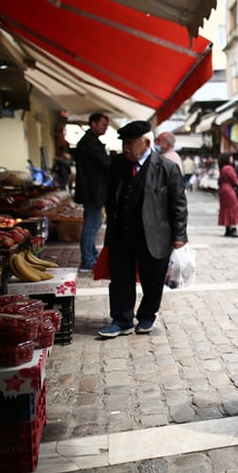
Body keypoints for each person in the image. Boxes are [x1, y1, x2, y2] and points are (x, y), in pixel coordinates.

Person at [98, 121, 188, 338]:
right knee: (120, 277)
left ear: (146, 143)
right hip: (122, 233)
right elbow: (111, 199)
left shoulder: (167, 167)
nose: (125, 148)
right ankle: (121, 319)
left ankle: (147, 315)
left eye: (130, 143)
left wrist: (179, 235)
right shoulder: (118, 164)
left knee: (153, 278)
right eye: (123, 144)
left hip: (155, 234)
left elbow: (178, 204)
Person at [74, 113, 111, 272]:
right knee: (91, 224)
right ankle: (88, 260)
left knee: (94, 223)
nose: (105, 128)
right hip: (93, 190)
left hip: (93, 189)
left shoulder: (91, 141)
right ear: (93, 124)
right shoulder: (89, 143)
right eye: (103, 125)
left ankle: (91, 256)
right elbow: (104, 164)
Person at [217, 153, 238, 237]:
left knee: (226, 209)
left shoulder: (223, 168)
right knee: (233, 208)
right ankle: (233, 229)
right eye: (230, 157)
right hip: (228, 190)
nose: (232, 159)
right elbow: (234, 179)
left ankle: (228, 229)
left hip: (223, 189)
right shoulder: (228, 168)